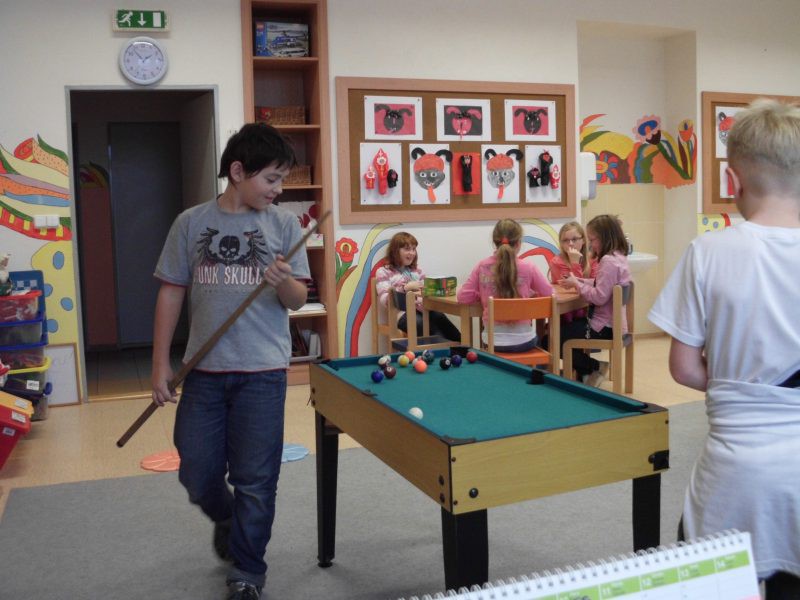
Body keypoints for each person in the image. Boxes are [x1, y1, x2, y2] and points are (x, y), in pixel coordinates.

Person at [648, 99, 800, 598]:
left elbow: (684, 367)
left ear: (733, 181)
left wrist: (738, 385)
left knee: (718, 582)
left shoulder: (708, 251)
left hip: (737, 472)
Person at [151, 123, 309, 600]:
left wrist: (283, 282)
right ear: (238, 172)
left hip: (263, 373)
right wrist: (161, 364)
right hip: (203, 372)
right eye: (271, 179)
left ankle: (247, 572)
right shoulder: (190, 222)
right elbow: (171, 292)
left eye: (282, 180)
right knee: (196, 471)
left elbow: (298, 299)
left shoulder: (283, 225)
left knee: (256, 479)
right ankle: (227, 516)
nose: (278, 190)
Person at [456, 219, 552, 352]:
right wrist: (530, 294)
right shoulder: (529, 267)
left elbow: (463, 297)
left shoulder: (482, 266)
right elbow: (550, 294)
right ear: (518, 243)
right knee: (540, 340)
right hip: (524, 341)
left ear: (495, 243)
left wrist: (481, 294)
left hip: (492, 342)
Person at [558, 214, 631, 387]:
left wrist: (577, 284)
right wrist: (579, 281)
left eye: (592, 240)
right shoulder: (619, 257)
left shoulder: (608, 261)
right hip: (614, 325)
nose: (591, 244)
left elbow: (599, 297)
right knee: (562, 333)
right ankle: (588, 372)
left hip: (603, 327)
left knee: (553, 338)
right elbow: (603, 285)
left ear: (605, 237)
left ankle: (595, 367)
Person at [375, 231, 461, 342]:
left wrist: (434, 289)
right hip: (401, 314)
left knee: (440, 318)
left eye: (413, 249)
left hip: (423, 309)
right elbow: (385, 299)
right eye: (407, 249)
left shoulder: (417, 271)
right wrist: (405, 288)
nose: (412, 253)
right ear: (395, 251)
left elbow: (426, 291)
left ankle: (464, 349)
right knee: (424, 326)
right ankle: (445, 349)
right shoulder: (383, 272)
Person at [548, 221, 598, 323]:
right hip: (566, 314)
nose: (570, 243)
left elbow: (595, 284)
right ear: (561, 243)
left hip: (590, 313)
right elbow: (574, 287)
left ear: (583, 240)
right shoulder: (556, 262)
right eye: (565, 240)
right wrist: (575, 262)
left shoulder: (593, 259)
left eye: (574, 239)